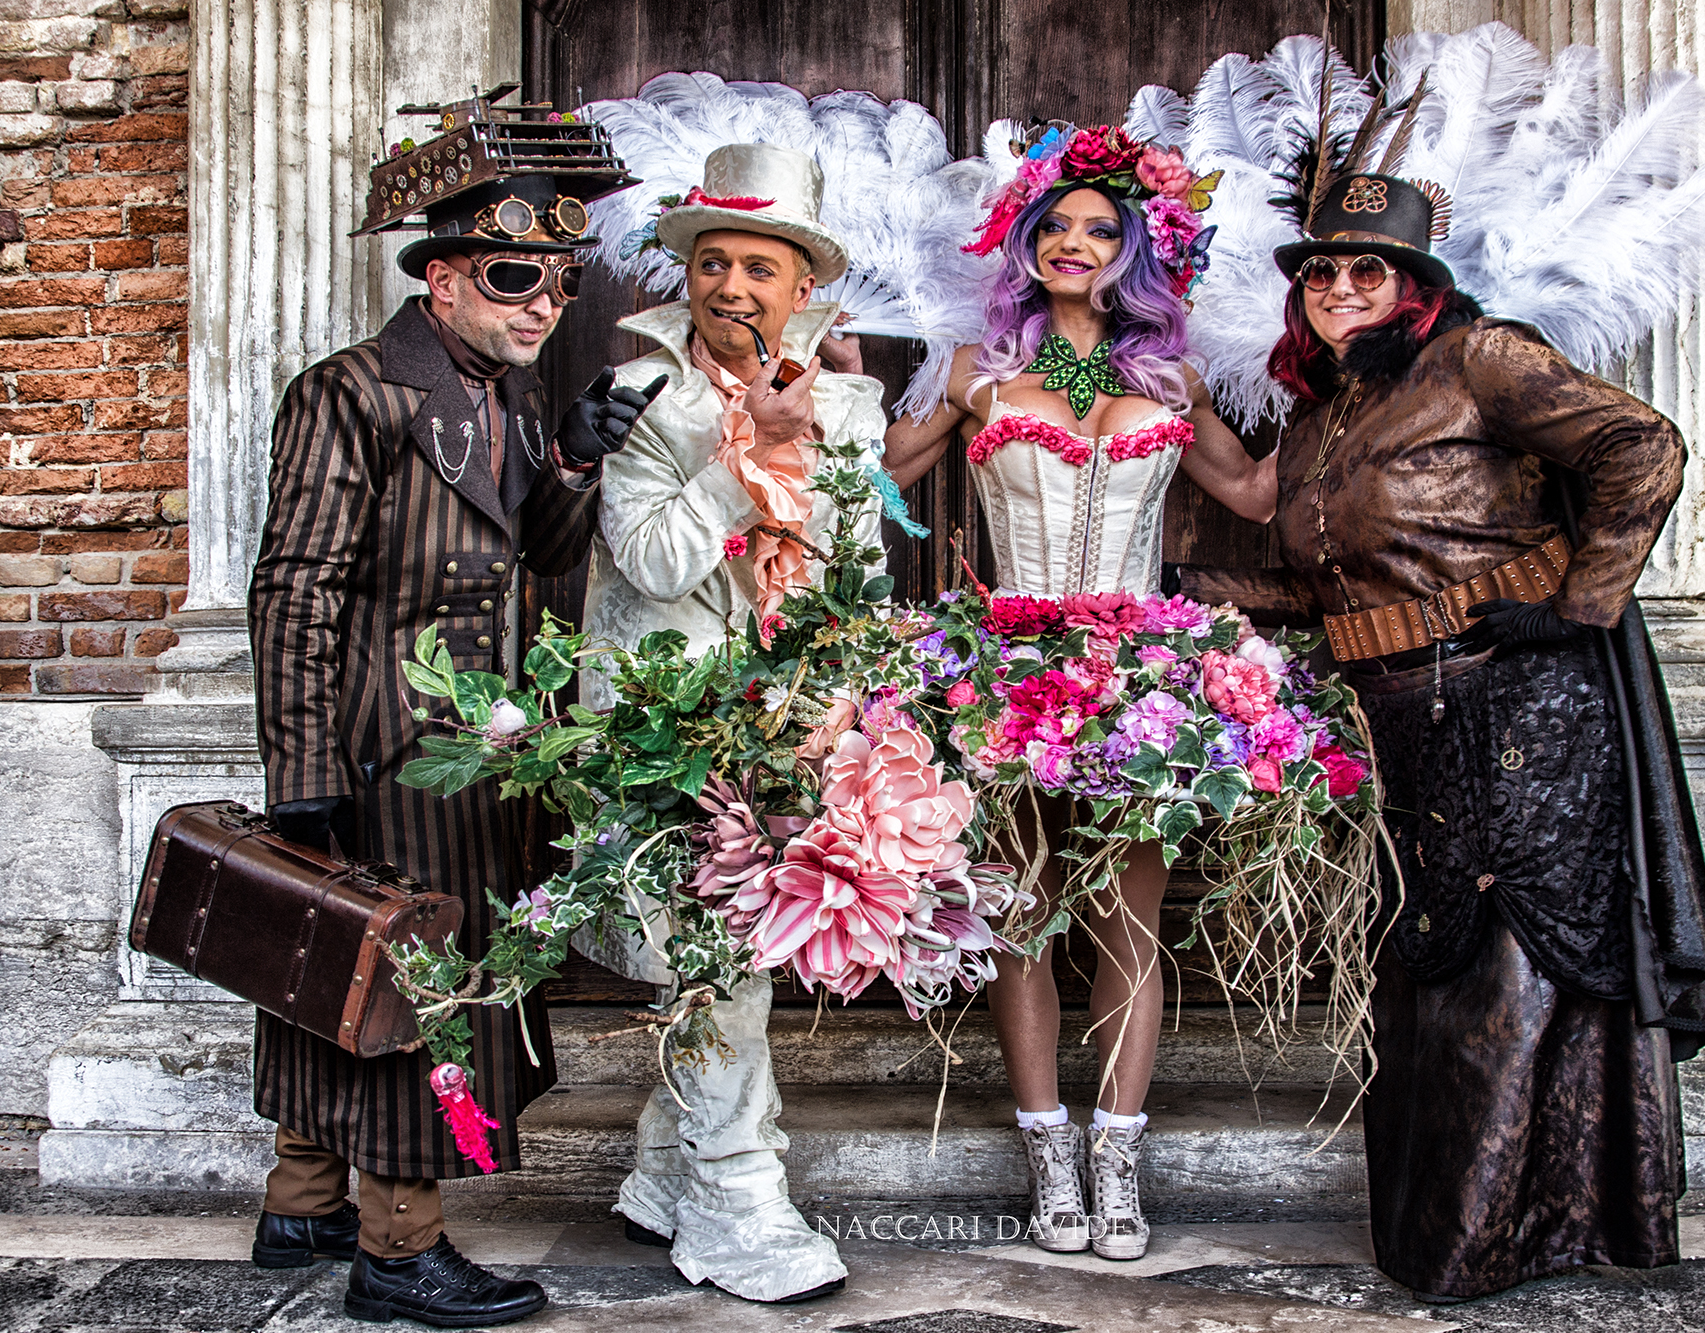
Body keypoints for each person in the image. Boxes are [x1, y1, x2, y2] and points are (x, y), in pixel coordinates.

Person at [1182, 165, 1705, 1301]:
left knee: (1514, 969)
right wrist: (1174, 597)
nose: (1339, 286)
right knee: (1429, 975)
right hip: (1397, 716)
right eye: (1320, 271)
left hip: (1516, 698)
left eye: (1366, 268)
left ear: (1416, 286)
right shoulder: (1322, 413)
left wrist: (1577, 604)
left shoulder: (1483, 358)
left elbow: (1643, 445)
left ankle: (1499, 1241)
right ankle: (1443, 1229)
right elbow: (1337, 587)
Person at [248, 100, 657, 1327]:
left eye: (558, 283)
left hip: (478, 756)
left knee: (353, 969)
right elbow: (295, 585)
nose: (544, 304)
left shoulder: (510, 401)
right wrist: (303, 766)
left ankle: (301, 1200)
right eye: (515, 277)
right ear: (437, 277)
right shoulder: (353, 393)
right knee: (411, 990)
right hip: (384, 754)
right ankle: (397, 1248)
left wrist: (574, 462)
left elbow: (536, 554)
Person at [881, 125, 1272, 1262]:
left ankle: (1117, 1163)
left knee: (1127, 922)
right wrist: (798, 410)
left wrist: (1342, 393)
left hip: (1139, 678)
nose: (1073, 244)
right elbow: (866, 479)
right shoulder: (974, 373)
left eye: (1099, 230)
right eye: (1053, 226)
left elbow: (1250, 493)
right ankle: (1046, 1160)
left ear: (1133, 250)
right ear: (1022, 240)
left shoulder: (1168, 376)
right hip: (1005, 674)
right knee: (1019, 918)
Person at [580, 142, 877, 1304]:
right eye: (714, 262)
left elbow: (853, 569)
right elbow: (653, 563)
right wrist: (741, 448)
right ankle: (736, 1192)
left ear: (801, 288)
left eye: (761, 265)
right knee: (713, 958)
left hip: (786, 726)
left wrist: (838, 701)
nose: (734, 287)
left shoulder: (847, 401)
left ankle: (665, 1169)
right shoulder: (641, 398)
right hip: (664, 725)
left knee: (733, 953)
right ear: (685, 275)